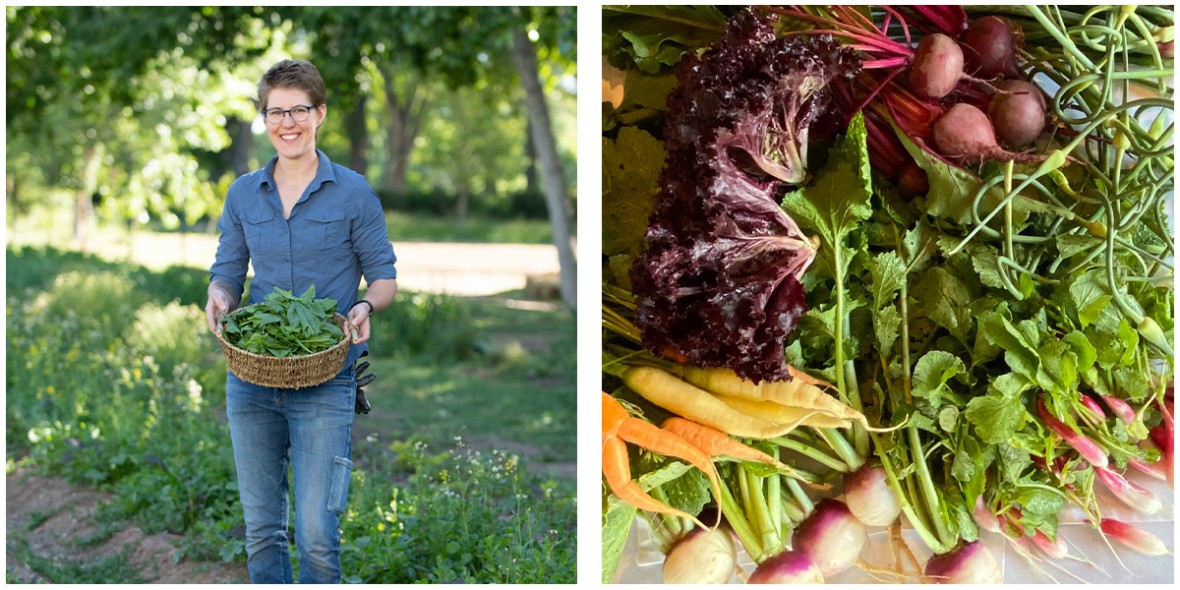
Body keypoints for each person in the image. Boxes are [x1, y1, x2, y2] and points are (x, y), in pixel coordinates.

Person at [204, 59, 398, 584]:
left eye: (299, 110)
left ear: (320, 114)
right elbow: (227, 271)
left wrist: (365, 306)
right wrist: (219, 295)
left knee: (316, 533)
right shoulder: (243, 193)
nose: (287, 122)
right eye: (276, 112)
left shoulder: (354, 193)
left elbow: (383, 277)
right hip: (252, 376)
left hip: (326, 378)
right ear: (264, 118)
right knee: (262, 530)